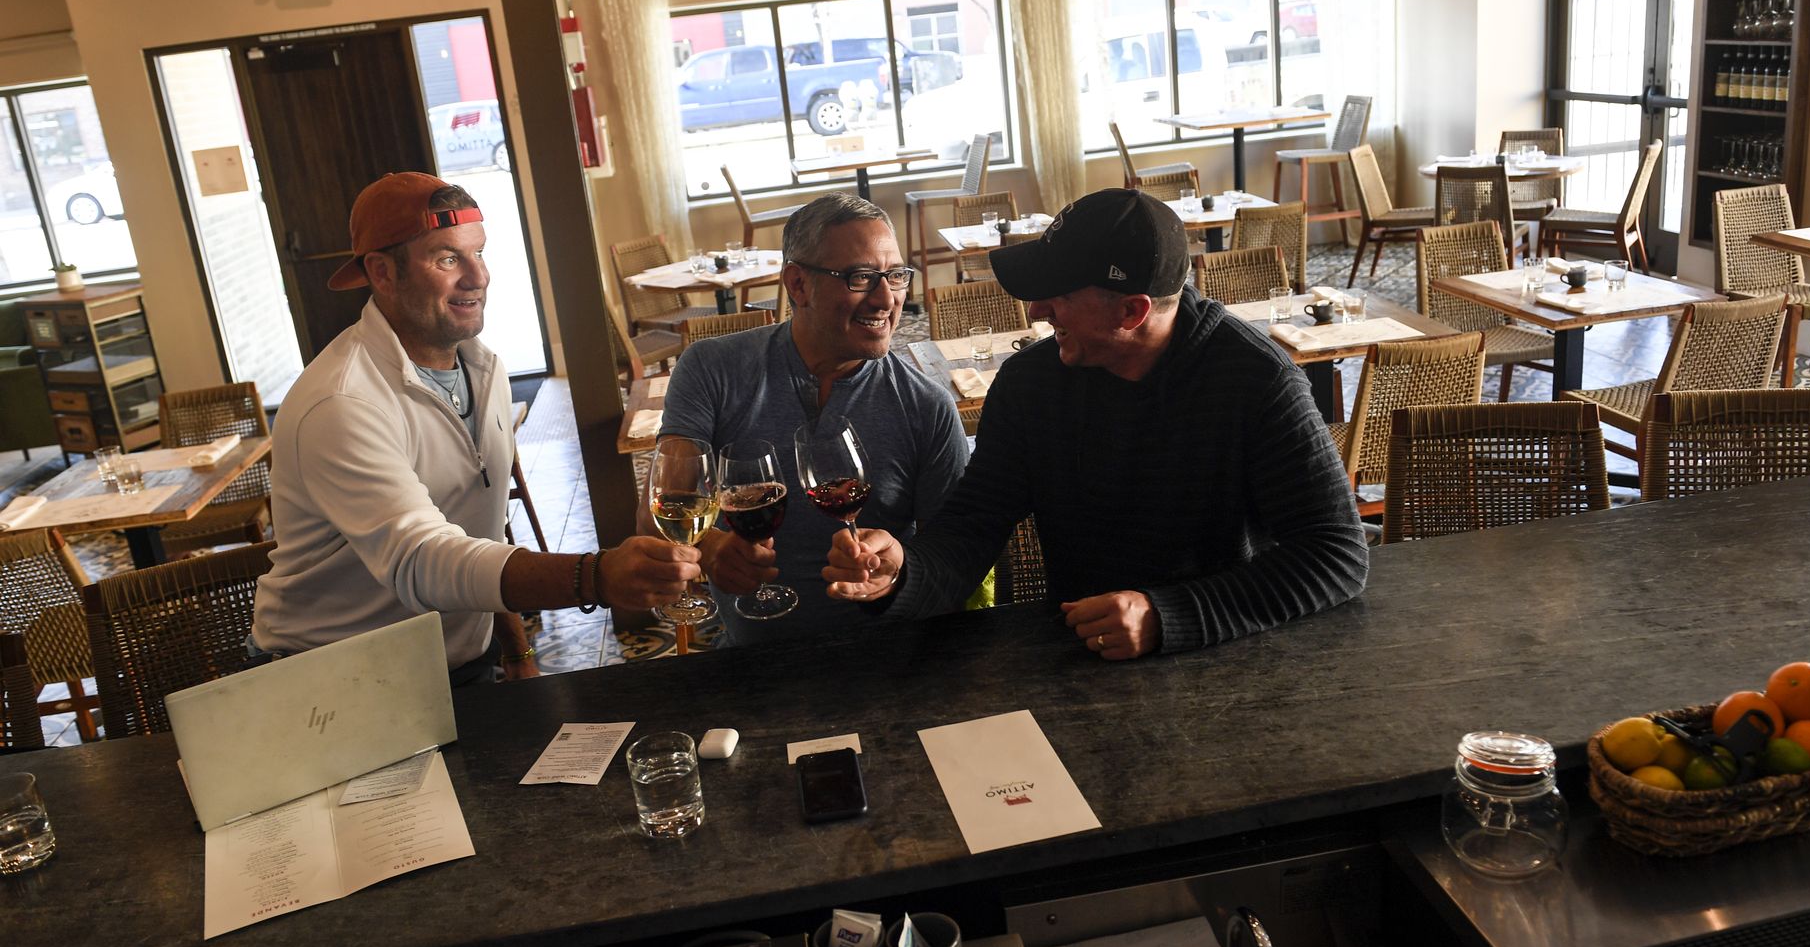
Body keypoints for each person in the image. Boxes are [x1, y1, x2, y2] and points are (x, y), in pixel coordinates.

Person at [824, 187, 1369, 659]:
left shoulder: (1256, 380)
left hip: (1231, 651)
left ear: (1131, 312)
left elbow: (1335, 553)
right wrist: (902, 572)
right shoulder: (1031, 383)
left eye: (1057, 295)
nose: (1036, 310)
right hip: (1081, 651)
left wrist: (1166, 616)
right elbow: (974, 523)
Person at [251, 172, 700, 684]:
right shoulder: (342, 402)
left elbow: (477, 531)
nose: (478, 276)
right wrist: (595, 576)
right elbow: (422, 559)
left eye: (479, 252)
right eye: (447, 258)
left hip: (461, 665)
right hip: (334, 681)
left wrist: (516, 650)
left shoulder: (484, 369)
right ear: (382, 272)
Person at [658, 192, 968, 645]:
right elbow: (662, 509)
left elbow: (956, 562)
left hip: (892, 659)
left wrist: (898, 571)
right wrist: (708, 548)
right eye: (861, 278)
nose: (886, 299)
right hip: (752, 663)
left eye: (896, 276)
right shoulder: (712, 369)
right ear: (798, 284)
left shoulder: (927, 406)